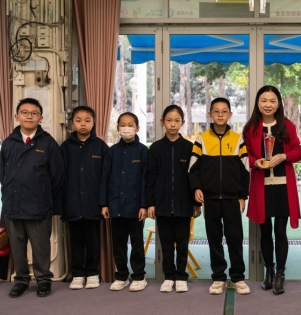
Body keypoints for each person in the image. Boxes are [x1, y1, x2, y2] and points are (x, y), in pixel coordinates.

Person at [0, 98, 64, 298]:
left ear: (40, 118)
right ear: (16, 116)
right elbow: (3, 175)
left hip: (39, 206)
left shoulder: (48, 143)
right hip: (13, 205)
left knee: (41, 247)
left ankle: (43, 280)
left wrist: (43, 197)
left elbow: (57, 177)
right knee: (17, 247)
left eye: (34, 113)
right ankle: (21, 280)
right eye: (25, 112)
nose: (29, 116)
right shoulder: (9, 143)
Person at [243, 85, 301, 295]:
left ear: (278, 104)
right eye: (264, 100)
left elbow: (298, 151)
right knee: (265, 231)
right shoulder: (251, 128)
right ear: (258, 103)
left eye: (272, 101)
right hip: (261, 187)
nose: (268, 104)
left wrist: (284, 156)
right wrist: (256, 162)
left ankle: (280, 274)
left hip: (283, 187)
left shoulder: (287, 126)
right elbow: (245, 155)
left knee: (280, 231)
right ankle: (268, 271)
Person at [189, 97, 250, 295]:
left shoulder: (238, 139)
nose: (220, 114)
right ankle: (218, 277)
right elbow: (193, 169)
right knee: (214, 239)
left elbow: (245, 171)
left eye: (224, 111)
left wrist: (242, 196)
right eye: (216, 111)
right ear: (210, 114)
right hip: (211, 200)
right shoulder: (201, 139)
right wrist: (197, 188)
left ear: (230, 115)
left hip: (233, 199)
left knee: (235, 239)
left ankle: (238, 277)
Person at [146, 105, 201, 293]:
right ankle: (168, 276)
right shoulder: (156, 148)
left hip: (183, 204)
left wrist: (196, 203)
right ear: (162, 122)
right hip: (162, 204)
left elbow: (195, 176)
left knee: (182, 242)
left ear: (182, 123)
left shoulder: (189, 148)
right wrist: (150, 203)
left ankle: (181, 276)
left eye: (177, 121)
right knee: (166, 243)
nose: (172, 124)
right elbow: (150, 177)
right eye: (169, 120)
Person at [60, 106, 109, 290]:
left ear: (93, 123)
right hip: (72, 203)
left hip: (93, 204)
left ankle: (93, 273)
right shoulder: (65, 147)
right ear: (72, 122)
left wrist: (104, 203)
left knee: (93, 241)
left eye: (87, 120)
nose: (83, 124)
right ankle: (78, 274)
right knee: (76, 241)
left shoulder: (101, 147)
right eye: (78, 120)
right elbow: (60, 177)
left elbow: (106, 178)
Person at [99, 112, 148, 292]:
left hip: (136, 208)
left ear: (137, 128)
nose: (126, 128)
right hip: (115, 206)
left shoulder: (143, 151)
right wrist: (104, 204)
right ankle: (121, 276)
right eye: (123, 124)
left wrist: (144, 205)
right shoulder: (112, 151)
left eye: (130, 124)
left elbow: (146, 180)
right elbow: (105, 178)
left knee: (137, 244)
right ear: (118, 128)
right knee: (118, 244)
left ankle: (139, 276)